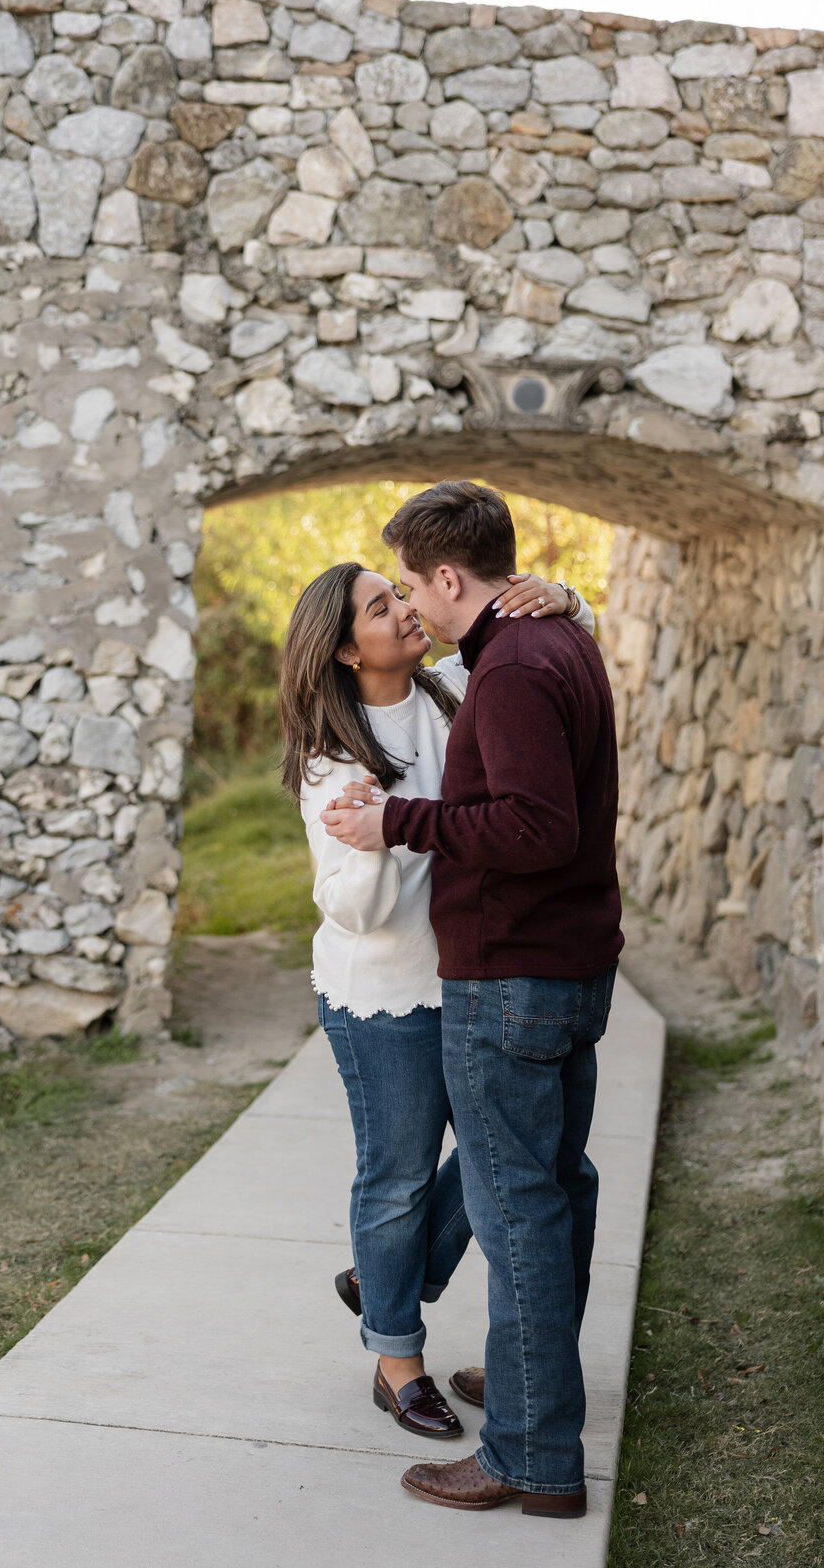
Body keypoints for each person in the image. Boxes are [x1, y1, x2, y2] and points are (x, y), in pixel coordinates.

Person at [321, 481, 623, 1519]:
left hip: (512, 976)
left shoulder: (506, 671)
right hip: (556, 969)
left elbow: (533, 830)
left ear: (449, 577)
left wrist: (403, 826)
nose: (410, 601)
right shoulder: (548, 644)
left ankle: (532, 1455)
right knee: (551, 1185)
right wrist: (571, 599)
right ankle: (533, 1382)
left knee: (520, 1209)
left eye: (411, 583)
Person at [281, 551, 595, 1440]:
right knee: (398, 1178)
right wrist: (377, 838)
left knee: (512, 1163)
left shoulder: (453, 687)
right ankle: (396, 1358)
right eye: (382, 608)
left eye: (399, 593)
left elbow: (570, 643)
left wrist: (565, 596)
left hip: (474, 977)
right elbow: (350, 910)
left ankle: (391, 1272)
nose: (406, 610)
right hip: (384, 995)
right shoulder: (332, 762)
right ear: (347, 650)